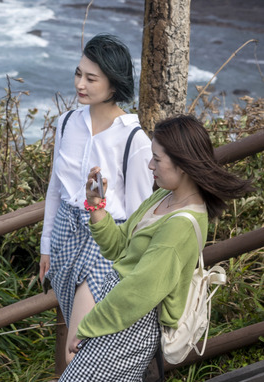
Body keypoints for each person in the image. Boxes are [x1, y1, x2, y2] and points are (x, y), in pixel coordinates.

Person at [60, 114, 253, 381]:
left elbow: (140, 290)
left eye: (157, 159)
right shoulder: (164, 196)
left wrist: (86, 327)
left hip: (129, 324)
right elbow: (118, 248)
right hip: (116, 313)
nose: (150, 165)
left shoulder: (181, 226)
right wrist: (95, 205)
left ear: (183, 164)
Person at [40, 33, 153, 363]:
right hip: (63, 233)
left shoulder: (134, 138)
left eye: (91, 78)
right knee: (81, 344)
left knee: (78, 346)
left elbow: (139, 213)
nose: (80, 84)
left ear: (114, 84)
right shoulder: (66, 123)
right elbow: (55, 190)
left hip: (105, 240)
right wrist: (46, 243)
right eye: (78, 74)